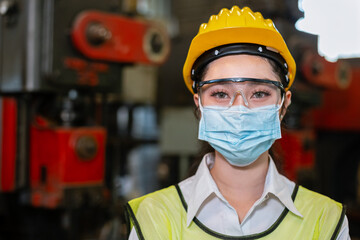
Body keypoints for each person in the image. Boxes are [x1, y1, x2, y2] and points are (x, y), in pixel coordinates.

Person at [125, 6, 350, 239]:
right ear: (199, 105)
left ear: (283, 105)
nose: (240, 109)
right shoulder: (154, 218)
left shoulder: (326, 221)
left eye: (260, 93)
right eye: (221, 94)